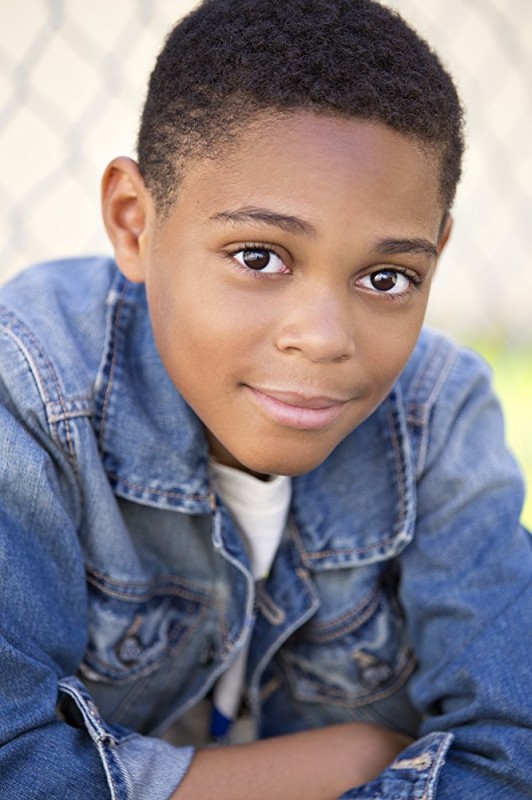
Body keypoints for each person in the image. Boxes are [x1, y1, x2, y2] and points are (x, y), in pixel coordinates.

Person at [0, 0, 531, 797]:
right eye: (259, 257)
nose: (323, 338)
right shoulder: (32, 391)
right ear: (134, 223)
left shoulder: (436, 416)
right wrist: (346, 763)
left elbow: (513, 749)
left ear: (437, 252)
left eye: (387, 277)